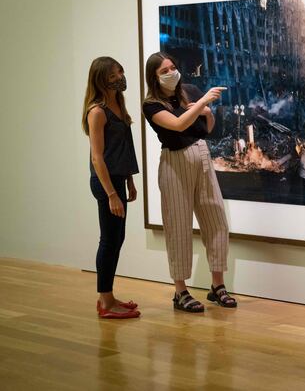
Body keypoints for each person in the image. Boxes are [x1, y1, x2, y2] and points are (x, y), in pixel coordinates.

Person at [142, 52, 237, 312]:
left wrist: (206, 111)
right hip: (175, 162)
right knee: (179, 227)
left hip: (201, 154)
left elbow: (205, 127)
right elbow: (178, 124)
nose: (171, 72)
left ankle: (217, 285)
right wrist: (202, 103)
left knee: (216, 220)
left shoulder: (189, 90)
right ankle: (181, 291)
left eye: (173, 67)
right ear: (154, 76)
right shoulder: (151, 105)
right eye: (164, 70)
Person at [82, 57, 141, 319]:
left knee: (117, 239)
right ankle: (105, 303)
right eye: (116, 73)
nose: (121, 77)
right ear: (103, 77)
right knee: (109, 240)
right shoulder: (97, 111)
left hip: (118, 180)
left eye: (122, 72)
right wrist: (112, 194)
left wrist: (129, 180)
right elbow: (98, 157)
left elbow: (123, 149)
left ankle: (108, 296)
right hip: (105, 183)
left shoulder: (118, 104)